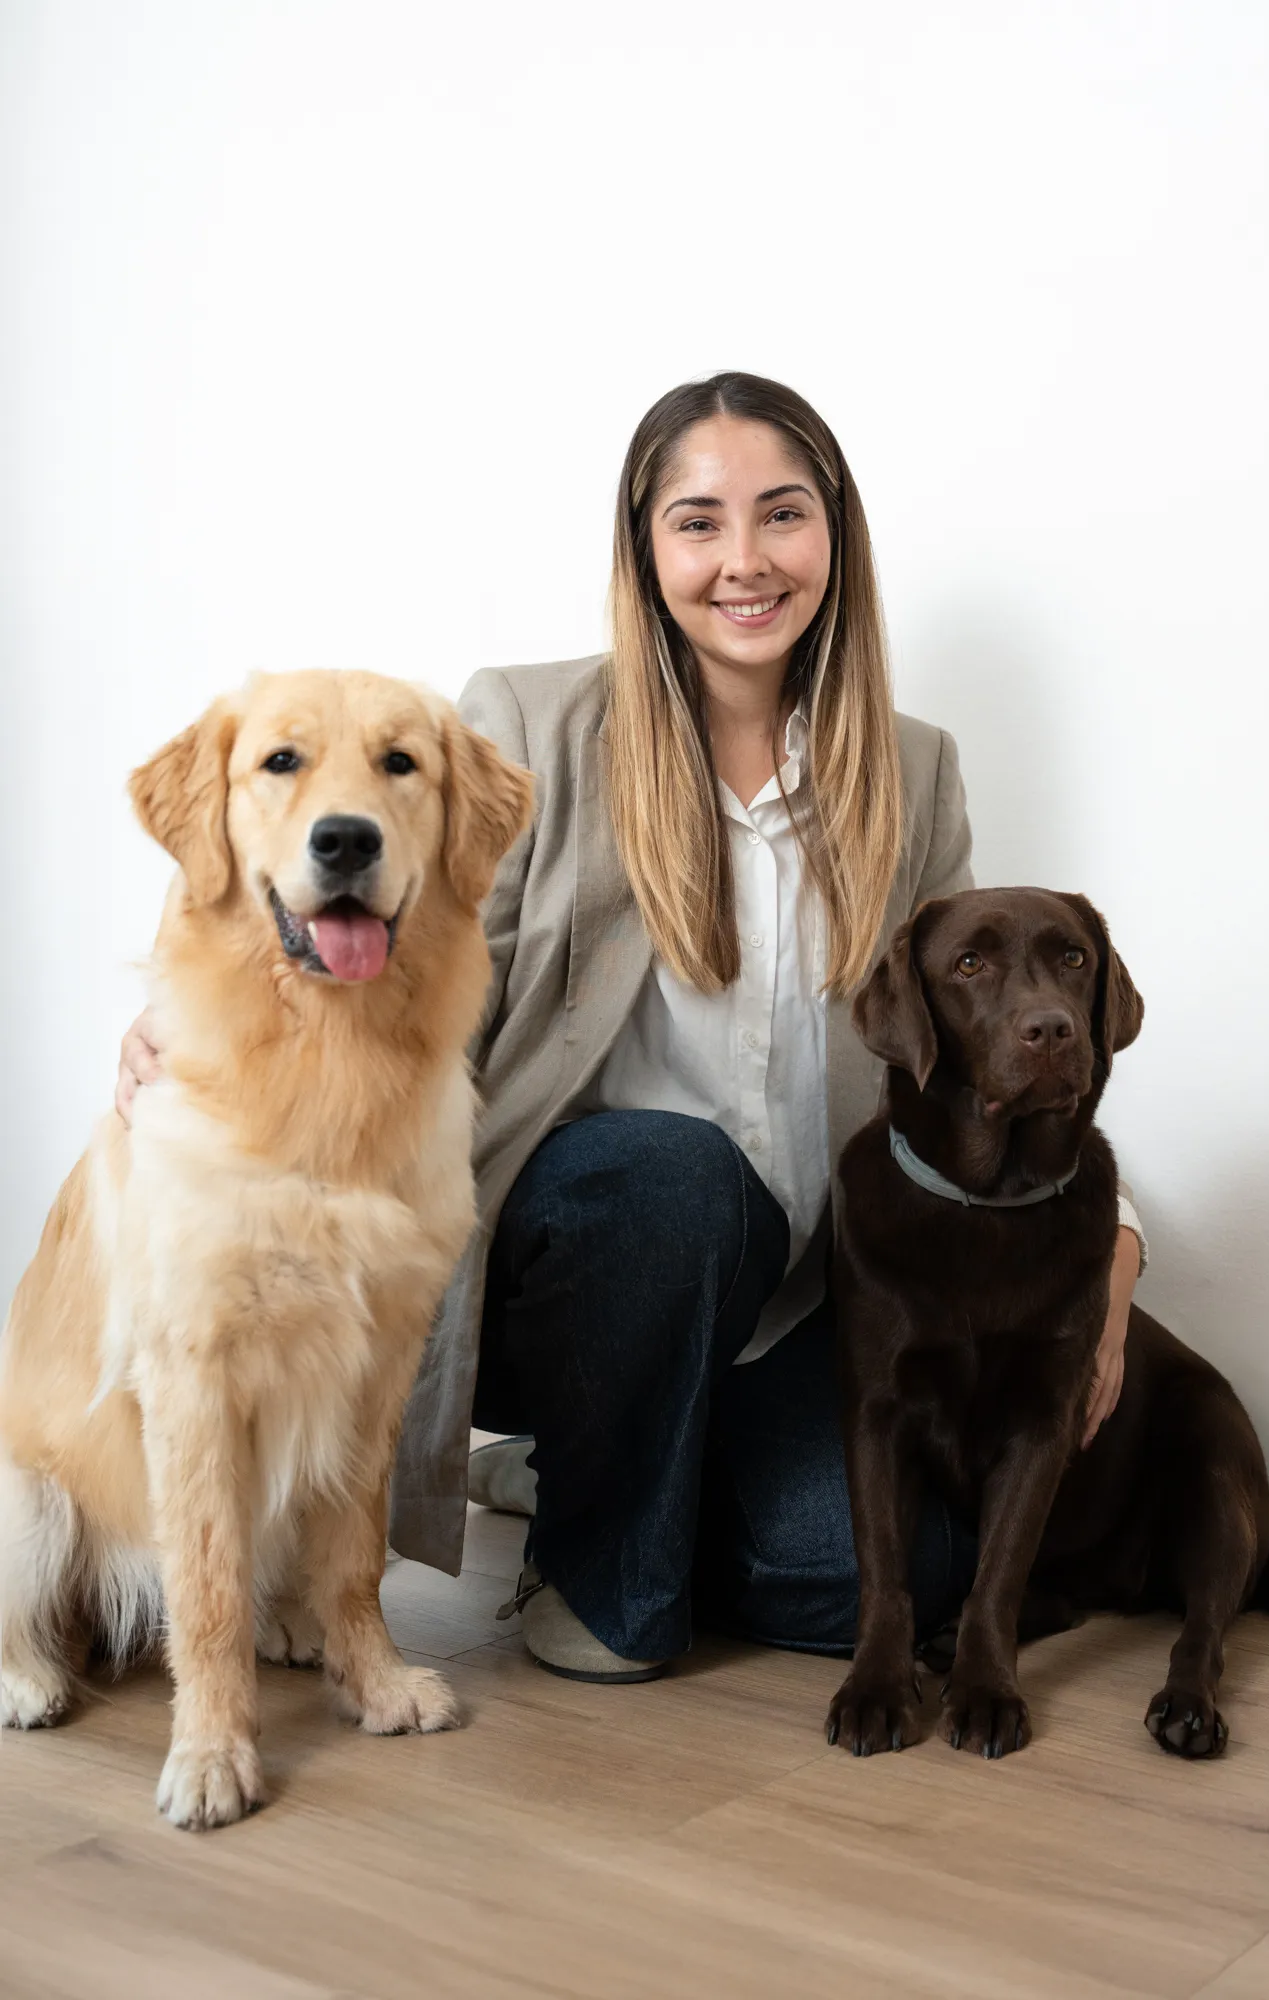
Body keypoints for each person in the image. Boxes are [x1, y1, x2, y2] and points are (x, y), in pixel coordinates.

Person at [117, 371, 1144, 1685]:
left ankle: (609, 1476)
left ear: (835, 535)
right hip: (577, 1267)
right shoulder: (527, 724)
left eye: (783, 514)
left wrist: (1116, 1252)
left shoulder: (915, 768)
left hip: (792, 1302)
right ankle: (598, 1553)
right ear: (645, 551)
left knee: (887, 1575)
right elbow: (383, 967)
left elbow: (980, 1048)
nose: (745, 560)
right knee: (679, 1179)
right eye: (698, 522)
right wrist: (186, 1035)